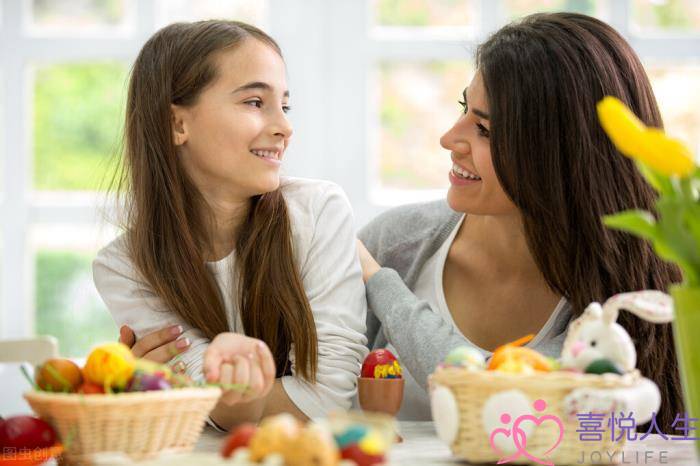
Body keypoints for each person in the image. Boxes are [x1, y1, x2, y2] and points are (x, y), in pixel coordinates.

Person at [357, 12, 683, 430]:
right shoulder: (395, 243)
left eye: (485, 130)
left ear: (557, 156)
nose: (449, 139)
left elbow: (507, 406)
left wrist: (382, 285)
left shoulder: (627, 295)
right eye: (464, 109)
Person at [92, 20, 368, 431]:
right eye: (255, 102)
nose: (285, 127)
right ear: (177, 125)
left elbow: (330, 397)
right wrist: (205, 394)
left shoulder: (319, 211)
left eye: (284, 105)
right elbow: (211, 395)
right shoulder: (124, 267)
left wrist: (204, 396)